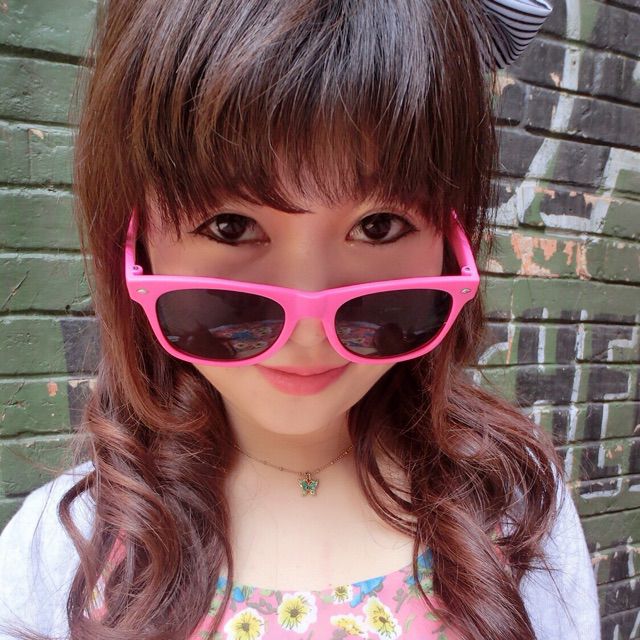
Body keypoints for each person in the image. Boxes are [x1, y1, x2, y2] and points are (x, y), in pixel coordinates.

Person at [0, 1, 601, 639]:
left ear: (453, 242)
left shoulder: (517, 512)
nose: (308, 331)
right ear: (136, 239)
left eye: (379, 226)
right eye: (230, 226)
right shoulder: (60, 557)